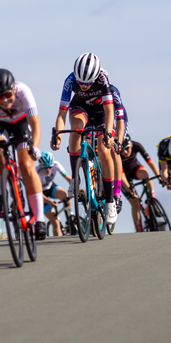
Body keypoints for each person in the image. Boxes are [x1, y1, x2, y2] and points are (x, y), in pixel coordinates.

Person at [0, 68, 46, 240]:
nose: (5, 101)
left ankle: (39, 219)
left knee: (26, 165)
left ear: (14, 89)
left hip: (21, 124)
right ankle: (1, 192)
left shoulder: (24, 92)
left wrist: (34, 147)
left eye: (7, 95)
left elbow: (35, 126)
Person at [51, 53, 117, 224]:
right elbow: (61, 115)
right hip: (80, 108)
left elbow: (109, 111)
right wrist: (58, 134)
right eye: (80, 82)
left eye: (88, 83)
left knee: (104, 151)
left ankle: (110, 202)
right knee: (76, 128)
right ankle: (75, 178)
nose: (84, 85)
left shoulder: (103, 78)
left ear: (95, 77)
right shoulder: (70, 81)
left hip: (101, 112)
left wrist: (108, 133)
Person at [121, 134, 164, 232]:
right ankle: (139, 230)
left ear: (131, 144)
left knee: (146, 175)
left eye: (127, 148)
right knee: (135, 202)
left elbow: (150, 162)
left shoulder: (137, 145)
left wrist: (159, 177)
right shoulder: (117, 153)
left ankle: (152, 199)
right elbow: (121, 176)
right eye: (123, 150)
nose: (125, 152)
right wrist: (129, 189)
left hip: (134, 169)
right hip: (123, 176)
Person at [36, 152, 72, 237]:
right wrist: (50, 202)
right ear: (41, 166)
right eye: (45, 167)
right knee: (55, 221)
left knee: (65, 195)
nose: (48, 170)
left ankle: (70, 219)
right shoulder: (36, 172)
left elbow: (68, 178)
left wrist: (78, 188)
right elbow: (38, 194)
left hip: (50, 187)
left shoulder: (56, 165)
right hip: (40, 194)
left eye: (50, 167)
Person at [110, 83, 129, 214]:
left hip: (118, 121)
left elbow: (120, 122)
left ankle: (117, 194)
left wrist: (118, 142)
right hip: (97, 118)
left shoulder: (112, 92)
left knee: (114, 149)